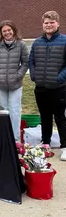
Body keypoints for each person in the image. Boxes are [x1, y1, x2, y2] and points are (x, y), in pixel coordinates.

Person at [29, 11, 66, 161]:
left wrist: (59, 78)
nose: (49, 25)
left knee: (60, 118)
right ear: (42, 24)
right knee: (44, 117)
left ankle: (64, 146)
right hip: (41, 87)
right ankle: (46, 143)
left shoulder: (64, 41)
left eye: (52, 22)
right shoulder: (37, 42)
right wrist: (34, 75)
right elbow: (31, 61)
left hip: (58, 88)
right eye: (46, 23)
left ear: (58, 24)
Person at [0, 20, 29, 141]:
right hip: (0, 84)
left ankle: (15, 139)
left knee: (15, 110)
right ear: (1, 33)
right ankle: (4, 137)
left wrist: (18, 75)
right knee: (3, 110)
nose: (7, 33)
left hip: (16, 84)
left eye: (9, 30)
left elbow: (26, 62)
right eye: (4, 31)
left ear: (13, 30)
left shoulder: (21, 44)